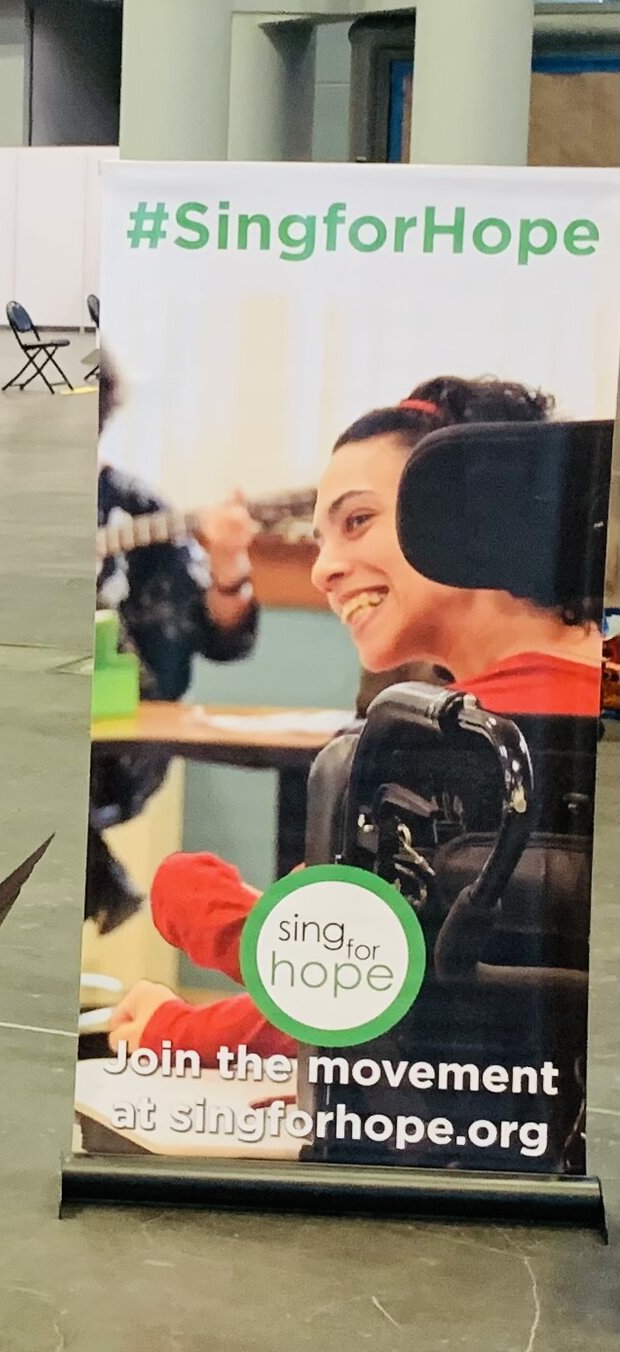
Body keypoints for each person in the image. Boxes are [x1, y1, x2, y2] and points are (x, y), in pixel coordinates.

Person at [110, 375, 601, 1162]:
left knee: (180, 883)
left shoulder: (423, 758)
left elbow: (332, 980)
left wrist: (178, 1026)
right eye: (321, 535)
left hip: (432, 1154)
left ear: (474, 512)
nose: (322, 569)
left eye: (358, 521)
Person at [89, 353, 260, 931]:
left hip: (121, 747)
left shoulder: (140, 511)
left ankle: (98, 882)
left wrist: (229, 562)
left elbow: (222, 641)